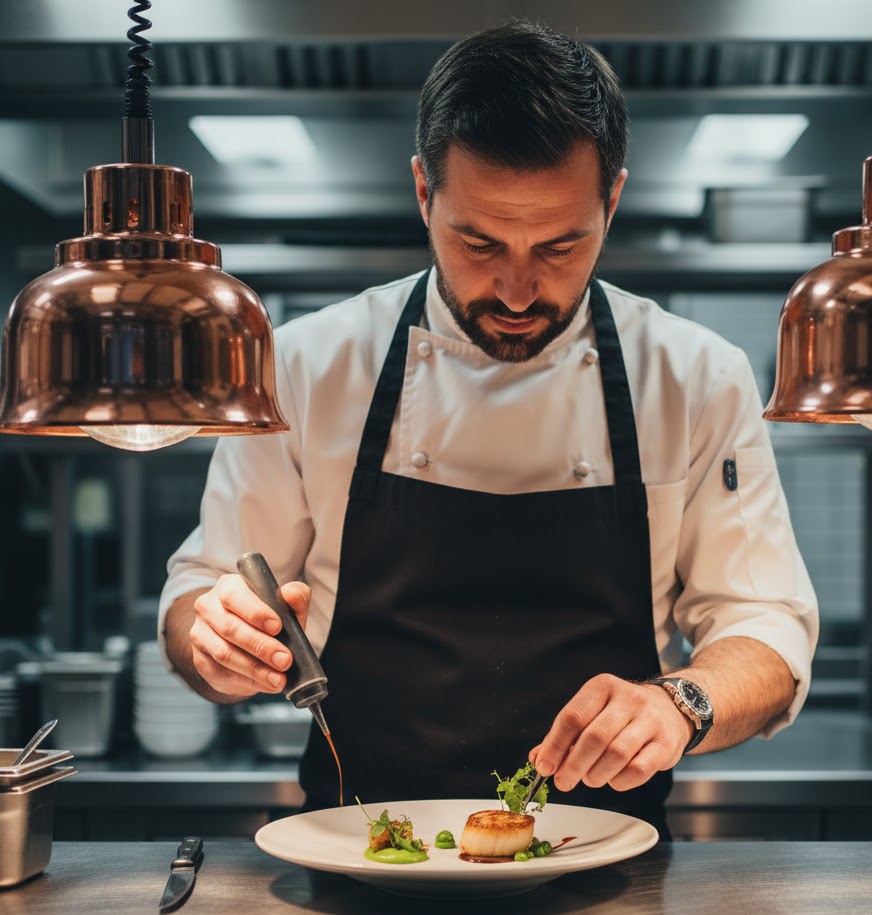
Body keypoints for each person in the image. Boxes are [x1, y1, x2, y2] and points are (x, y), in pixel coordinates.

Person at [160, 20, 818, 837]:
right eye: (477, 242)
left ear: (611, 201)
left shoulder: (696, 377)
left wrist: (680, 701)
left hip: (608, 899)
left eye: (561, 245)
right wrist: (215, 641)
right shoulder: (304, 366)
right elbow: (201, 596)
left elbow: (767, 629)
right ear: (422, 194)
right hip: (357, 868)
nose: (515, 290)